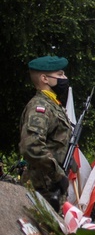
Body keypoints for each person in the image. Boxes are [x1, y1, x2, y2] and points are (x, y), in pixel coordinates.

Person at [19, 56, 73, 212]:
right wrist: (57, 174)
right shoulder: (40, 107)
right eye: (60, 74)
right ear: (44, 79)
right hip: (42, 188)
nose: (65, 78)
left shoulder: (53, 105)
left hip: (50, 187)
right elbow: (31, 145)